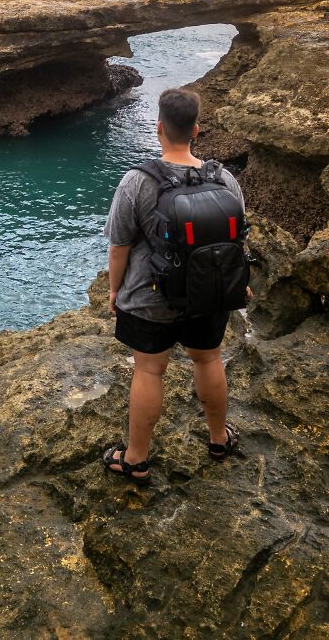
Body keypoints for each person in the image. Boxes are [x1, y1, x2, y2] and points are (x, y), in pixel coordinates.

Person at [101, 87, 252, 485]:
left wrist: (115, 292)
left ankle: (136, 459)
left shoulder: (137, 181)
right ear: (197, 130)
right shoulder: (224, 178)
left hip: (152, 298)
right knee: (208, 359)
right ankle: (219, 440)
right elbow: (236, 240)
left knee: (149, 371)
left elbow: (119, 246)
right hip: (210, 292)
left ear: (159, 129)